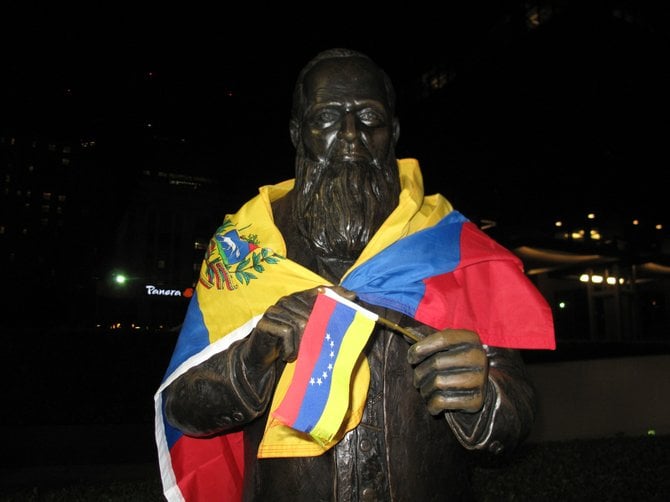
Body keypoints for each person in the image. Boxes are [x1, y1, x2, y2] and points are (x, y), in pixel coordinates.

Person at [155, 48, 555, 502]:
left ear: (394, 132)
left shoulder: (448, 245)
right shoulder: (247, 250)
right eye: (326, 118)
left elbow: (516, 411)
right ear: (296, 133)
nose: (350, 137)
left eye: (369, 117)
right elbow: (184, 407)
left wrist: (484, 397)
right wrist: (252, 360)